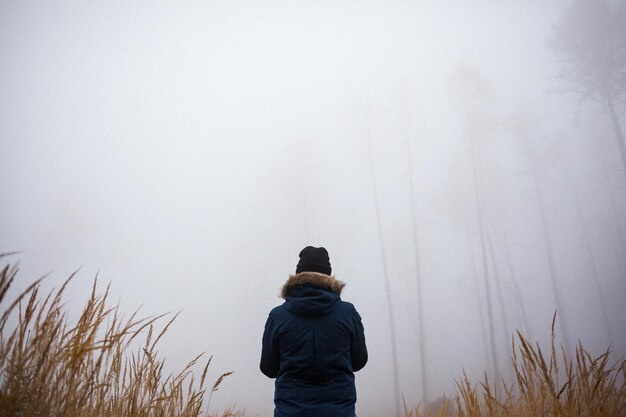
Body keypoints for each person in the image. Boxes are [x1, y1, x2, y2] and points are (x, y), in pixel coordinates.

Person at [260, 246, 368, 417]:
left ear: (297, 276)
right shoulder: (348, 313)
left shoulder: (278, 316)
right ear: (329, 276)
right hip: (339, 411)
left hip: (290, 411)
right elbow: (359, 361)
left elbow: (268, 368)